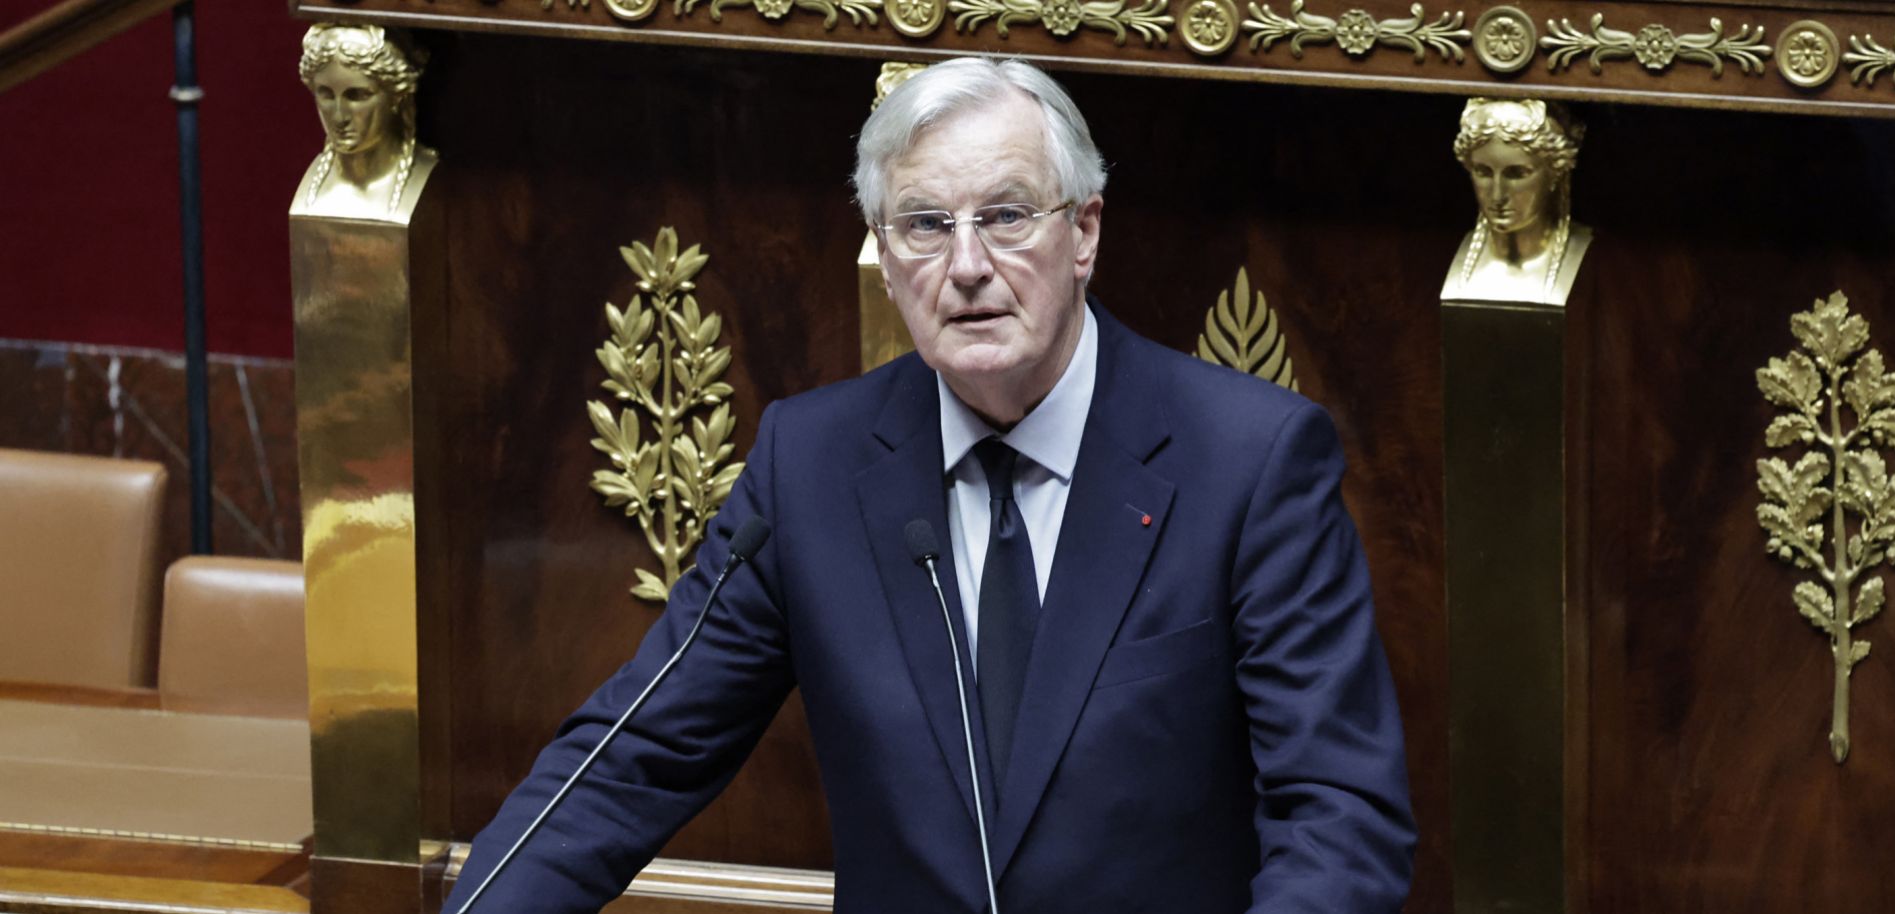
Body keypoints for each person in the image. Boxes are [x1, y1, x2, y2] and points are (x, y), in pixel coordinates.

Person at [450, 56, 1415, 913]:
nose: (965, 267)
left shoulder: (1248, 459)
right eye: (923, 225)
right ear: (883, 257)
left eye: (1004, 216)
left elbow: (1339, 817)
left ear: (1083, 233)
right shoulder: (812, 465)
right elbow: (633, 756)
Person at [1441, 97, 1591, 305]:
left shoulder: (1597, 263)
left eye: (1517, 174)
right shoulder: (1441, 256)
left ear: (1555, 174)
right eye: (1483, 172)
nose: (1497, 195)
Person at [293, 23, 437, 220]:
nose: (339, 117)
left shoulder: (427, 177)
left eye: (357, 96)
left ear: (396, 95)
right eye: (326, 94)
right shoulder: (311, 190)